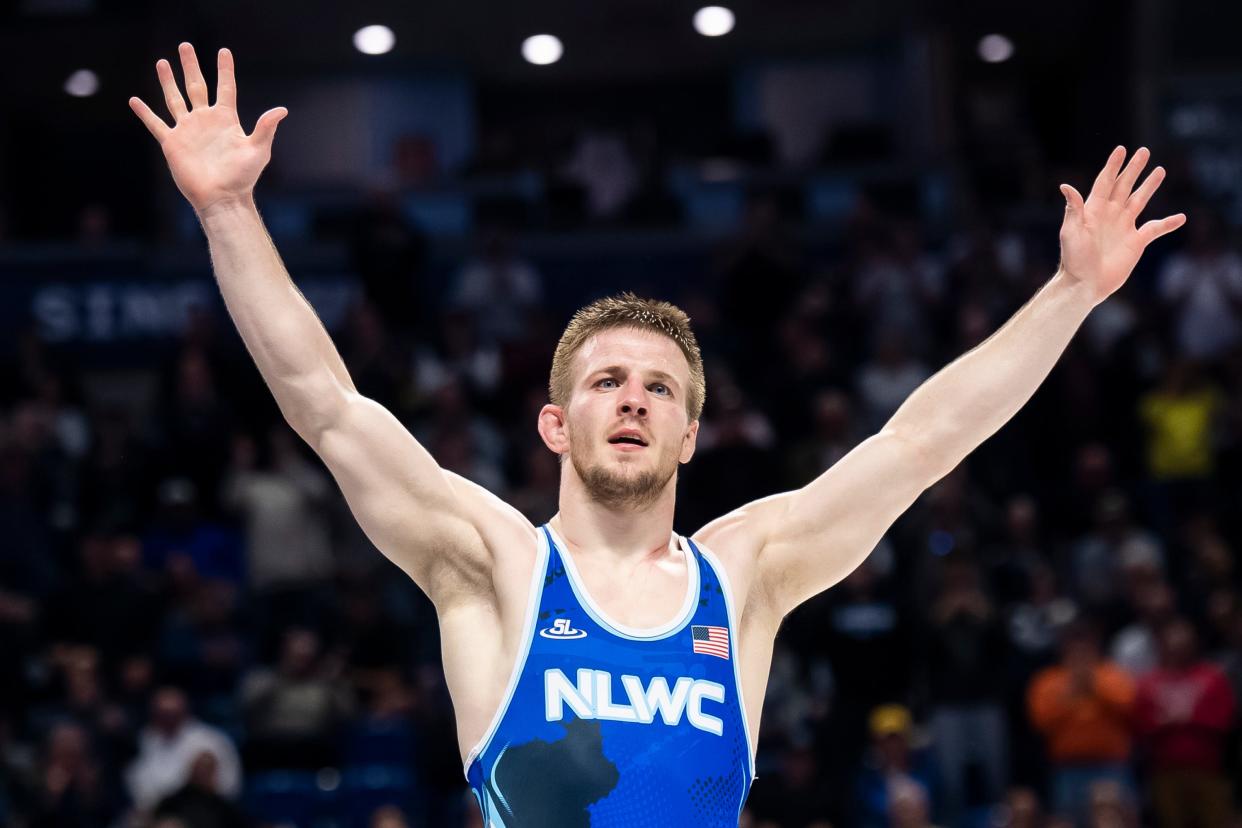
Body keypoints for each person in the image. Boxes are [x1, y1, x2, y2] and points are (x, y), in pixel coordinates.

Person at [129, 42, 1186, 825]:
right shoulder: (492, 565)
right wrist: (228, 214)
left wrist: (1070, 293)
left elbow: (919, 444)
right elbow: (326, 403)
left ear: (690, 435)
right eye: (605, 382)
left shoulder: (750, 573)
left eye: (658, 389)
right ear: (555, 421)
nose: (632, 399)